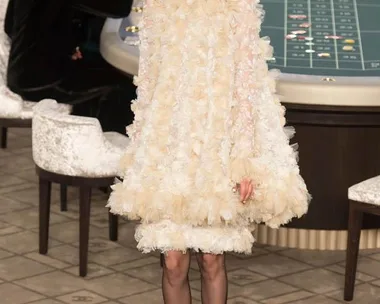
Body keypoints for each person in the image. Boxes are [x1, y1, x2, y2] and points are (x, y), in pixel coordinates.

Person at [107, 0, 311, 303]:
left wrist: (244, 163)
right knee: (173, 263)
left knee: (211, 260)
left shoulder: (235, 6)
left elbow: (247, 88)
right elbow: (148, 83)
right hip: (168, 149)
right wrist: (140, 152)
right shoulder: (157, 6)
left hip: (217, 149)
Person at [4, 0, 135, 134]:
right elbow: (119, 9)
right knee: (125, 85)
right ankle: (112, 149)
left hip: (23, 74)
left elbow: (9, 27)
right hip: (43, 81)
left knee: (107, 72)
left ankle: (87, 138)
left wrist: (63, 47)